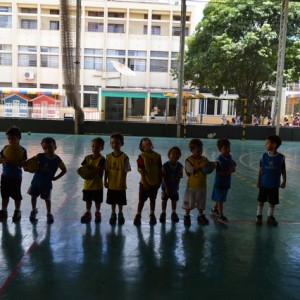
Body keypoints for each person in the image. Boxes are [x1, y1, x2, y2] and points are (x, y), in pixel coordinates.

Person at [26, 137, 67, 224]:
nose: (48, 150)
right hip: (36, 182)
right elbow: (29, 161)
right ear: (42, 148)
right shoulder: (39, 156)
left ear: (55, 147)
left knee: (47, 199)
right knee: (33, 196)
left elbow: (64, 170)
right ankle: (34, 210)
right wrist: (26, 167)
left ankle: (49, 213)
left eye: (50, 147)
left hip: (46, 184)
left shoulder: (58, 160)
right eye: (45, 148)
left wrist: (56, 178)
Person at [183, 138, 216, 226]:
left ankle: (200, 216)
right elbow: (189, 170)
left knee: (201, 203)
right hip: (192, 186)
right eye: (197, 150)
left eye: (201, 150)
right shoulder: (188, 160)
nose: (200, 152)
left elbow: (209, 166)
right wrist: (200, 166)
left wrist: (212, 165)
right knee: (189, 203)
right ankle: (187, 216)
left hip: (202, 186)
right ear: (192, 150)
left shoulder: (204, 159)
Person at [256, 135, 287, 225]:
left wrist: (284, 181)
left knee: (272, 201)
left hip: (274, 185)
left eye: (267, 143)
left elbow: (283, 170)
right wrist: (258, 181)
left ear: (273, 145)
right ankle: (259, 215)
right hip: (263, 183)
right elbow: (261, 170)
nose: (265, 145)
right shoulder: (264, 156)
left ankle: (270, 216)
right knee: (261, 200)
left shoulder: (281, 158)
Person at [0, 127, 27, 222]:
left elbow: (22, 164)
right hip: (5, 176)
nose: (11, 140)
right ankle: (4, 211)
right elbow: (0, 159)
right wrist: (3, 160)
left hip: (16, 177)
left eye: (13, 138)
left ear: (19, 138)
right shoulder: (5, 148)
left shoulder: (22, 150)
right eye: (9, 138)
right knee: (4, 195)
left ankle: (17, 211)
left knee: (16, 195)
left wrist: (15, 163)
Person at [134, 137, 162, 226]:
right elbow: (141, 169)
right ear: (142, 147)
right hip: (144, 183)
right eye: (145, 144)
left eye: (149, 143)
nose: (147, 145)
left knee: (153, 199)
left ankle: (152, 214)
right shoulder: (141, 156)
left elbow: (160, 169)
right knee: (141, 200)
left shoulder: (157, 156)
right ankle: (138, 214)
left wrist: (159, 181)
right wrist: (145, 182)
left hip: (155, 183)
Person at [104, 133, 131, 225]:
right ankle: (113, 213)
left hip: (120, 184)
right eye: (113, 143)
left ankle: (120, 213)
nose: (115, 145)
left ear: (122, 143)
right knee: (112, 201)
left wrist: (122, 182)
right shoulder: (108, 157)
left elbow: (125, 171)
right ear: (110, 143)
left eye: (117, 143)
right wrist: (105, 181)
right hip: (111, 184)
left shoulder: (125, 157)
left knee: (120, 201)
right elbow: (106, 170)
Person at [210, 139, 236, 223]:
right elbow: (219, 174)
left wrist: (233, 163)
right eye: (225, 148)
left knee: (220, 197)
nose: (228, 149)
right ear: (220, 149)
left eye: (229, 147)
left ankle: (214, 209)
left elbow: (231, 162)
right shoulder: (219, 160)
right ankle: (220, 215)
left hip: (226, 182)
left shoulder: (229, 156)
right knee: (221, 199)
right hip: (220, 183)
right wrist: (230, 170)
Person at [80, 137, 105, 223]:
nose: (94, 148)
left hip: (97, 185)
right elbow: (83, 168)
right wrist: (83, 171)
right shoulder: (87, 158)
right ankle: (88, 212)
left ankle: (97, 212)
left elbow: (99, 169)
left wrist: (89, 169)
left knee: (98, 201)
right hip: (87, 185)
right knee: (88, 200)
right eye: (93, 146)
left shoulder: (102, 159)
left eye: (97, 147)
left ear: (102, 148)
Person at [159, 146, 183, 224]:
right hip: (165, 187)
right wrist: (166, 188)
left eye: (177, 154)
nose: (175, 155)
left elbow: (179, 178)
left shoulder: (180, 167)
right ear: (169, 154)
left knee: (174, 199)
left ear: (179, 156)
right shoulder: (165, 166)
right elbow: (163, 178)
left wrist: (175, 187)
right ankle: (163, 213)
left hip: (174, 187)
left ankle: (173, 213)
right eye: (173, 153)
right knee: (164, 199)